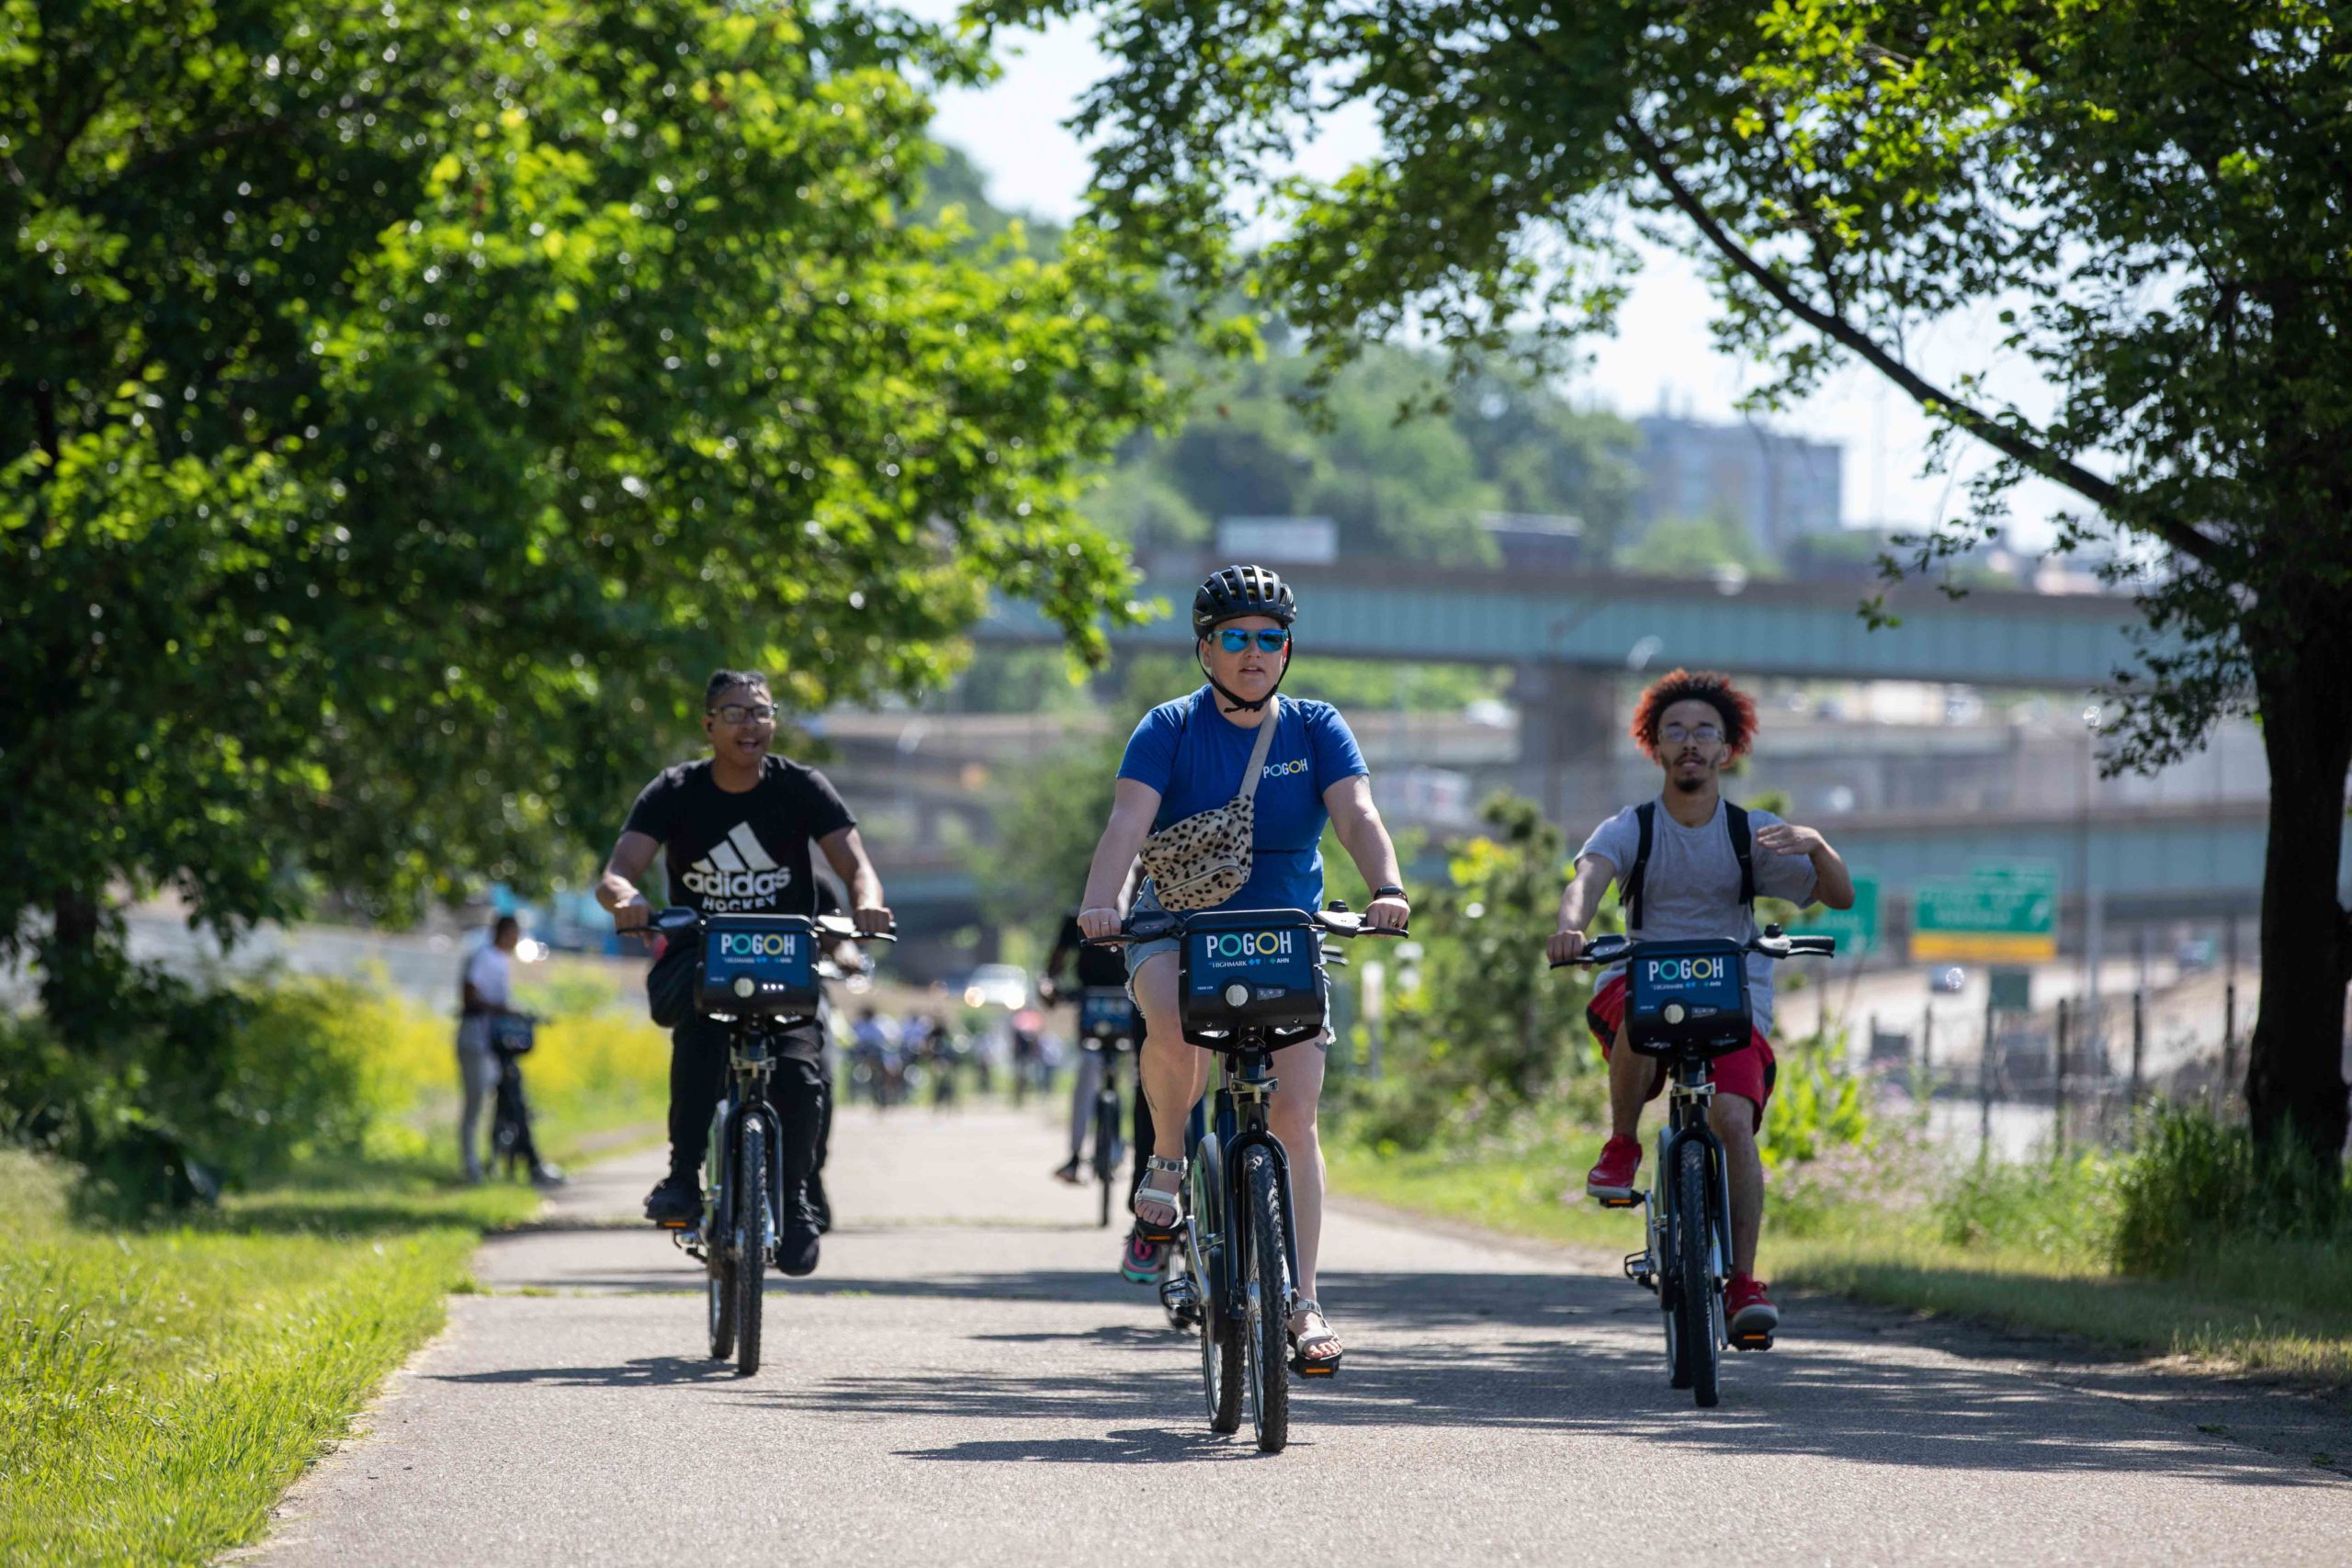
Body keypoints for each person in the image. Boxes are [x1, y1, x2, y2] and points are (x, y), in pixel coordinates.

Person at [1077, 564, 1410, 1373]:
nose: (1254, 652)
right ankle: (1164, 1159)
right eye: (1235, 638)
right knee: (1169, 1018)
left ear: (1286, 650)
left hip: (1284, 932)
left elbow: (1358, 813)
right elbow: (1128, 822)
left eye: (1269, 639)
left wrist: (1388, 886)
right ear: (1205, 648)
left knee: (1294, 1115)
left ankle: (1304, 1302)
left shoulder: (1315, 726)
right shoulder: (1168, 727)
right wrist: (1100, 903)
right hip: (1178, 924)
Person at [1545, 668, 1855, 1342]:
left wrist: (1818, 846)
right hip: (1645, 981)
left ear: (1727, 749)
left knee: (1732, 1122)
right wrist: (1571, 926)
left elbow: (1839, 896)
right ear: (1654, 747)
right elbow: (1588, 879)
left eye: (1704, 733)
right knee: (1637, 1008)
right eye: (1675, 731)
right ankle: (1623, 1142)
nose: (1690, 743)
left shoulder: (1754, 831)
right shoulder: (1632, 827)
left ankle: (1743, 1279)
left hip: (1733, 992)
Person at [596, 668, 892, 1278]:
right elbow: (617, 871)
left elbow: (855, 862)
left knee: (801, 1074)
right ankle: (681, 1178)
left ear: (774, 722)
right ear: (709, 726)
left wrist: (865, 900)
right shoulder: (674, 790)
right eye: (734, 713)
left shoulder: (802, 786)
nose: (749, 724)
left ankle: (795, 1199)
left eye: (759, 711)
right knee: (699, 1042)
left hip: (786, 954)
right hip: (702, 952)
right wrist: (625, 899)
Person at [1041, 881, 1168, 1285]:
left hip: (1136, 1000)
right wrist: (1049, 987)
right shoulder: (1073, 921)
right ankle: (1077, 1155)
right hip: (1092, 1003)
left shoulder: (1145, 910)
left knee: (1144, 1075)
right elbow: (1054, 966)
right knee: (1089, 1069)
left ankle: (1126, 1152)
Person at [456, 914, 538, 1184]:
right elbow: (470, 994)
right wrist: (498, 1010)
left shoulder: (501, 961)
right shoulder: (484, 957)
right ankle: (471, 1166)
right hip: (474, 1042)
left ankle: (494, 1160)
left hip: (492, 1045)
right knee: (475, 1104)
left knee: (507, 1098)